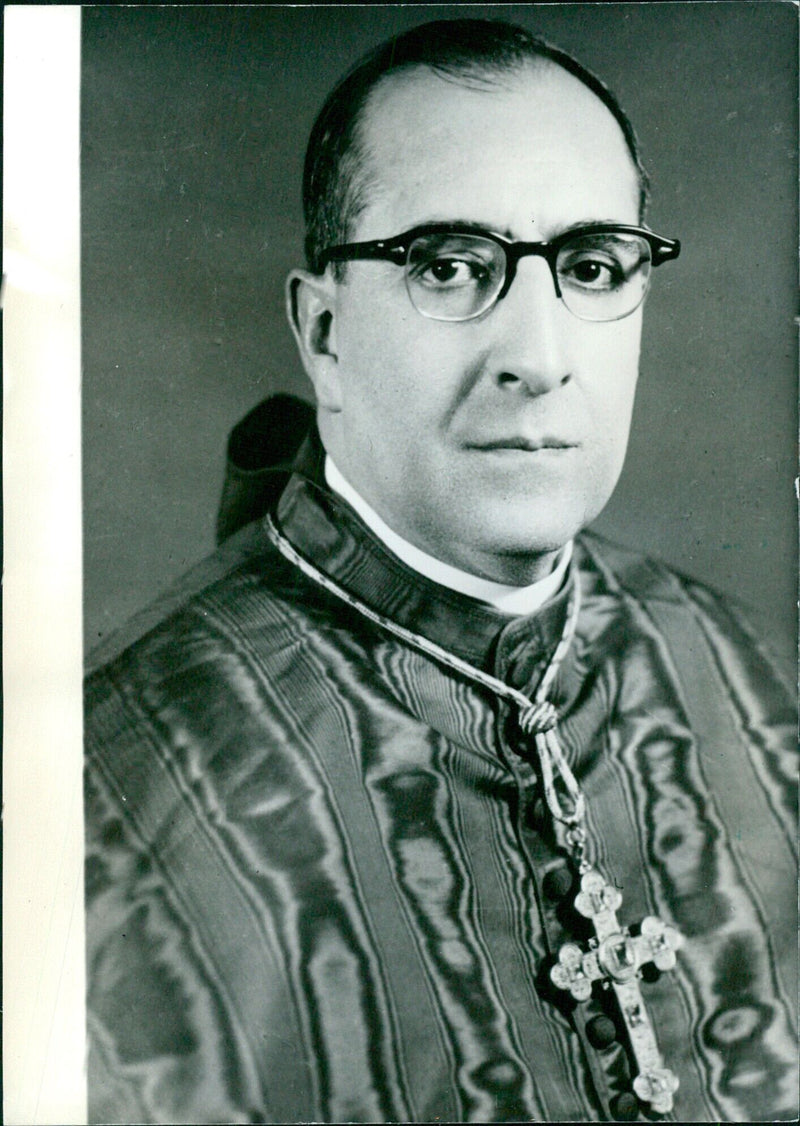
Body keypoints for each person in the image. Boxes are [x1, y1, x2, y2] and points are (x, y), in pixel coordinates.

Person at [83, 18, 797, 1124]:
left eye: (591, 266)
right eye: (451, 267)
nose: (537, 354)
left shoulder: (768, 687)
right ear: (322, 332)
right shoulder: (100, 792)